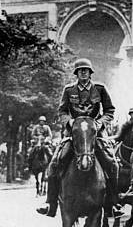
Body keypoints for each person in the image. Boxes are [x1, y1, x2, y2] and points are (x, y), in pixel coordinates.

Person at [36, 58, 123, 218]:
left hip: (95, 133)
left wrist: (99, 123)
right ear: (76, 73)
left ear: (90, 73)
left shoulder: (100, 89)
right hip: (73, 133)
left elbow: (109, 110)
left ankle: (112, 203)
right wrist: (69, 122)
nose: (83, 72)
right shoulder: (69, 90)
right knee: (54, 162)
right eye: (80, 70)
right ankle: (51, 203)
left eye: (86, 70)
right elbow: (62, 111)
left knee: (113, 163)